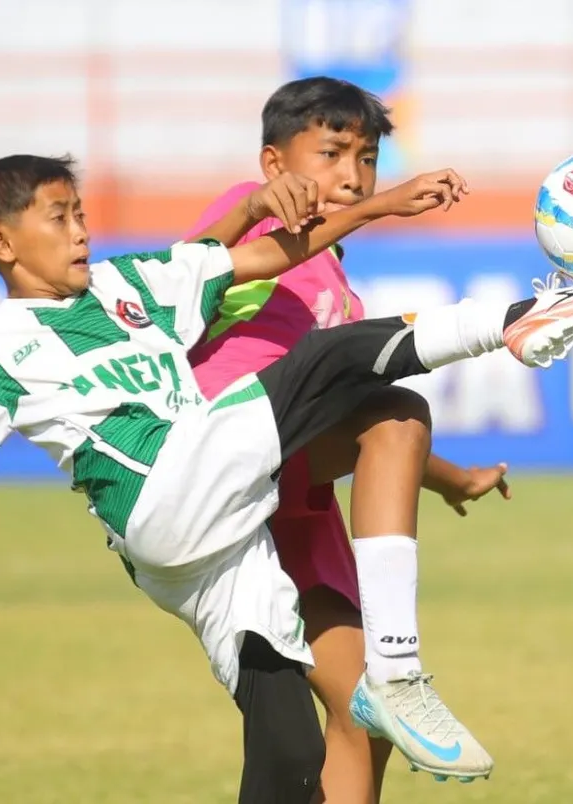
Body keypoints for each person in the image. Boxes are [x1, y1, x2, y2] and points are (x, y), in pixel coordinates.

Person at [0, 153, 573, 802]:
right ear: (2, 243)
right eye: (58, 217)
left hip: (209, 550)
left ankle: (386, 685)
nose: (81, 231)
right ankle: (523, 322)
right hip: (160, 492)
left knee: (290, 750)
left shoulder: (132, 284)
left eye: (80, 213)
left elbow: (267, 255)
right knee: (331, 360)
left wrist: (374, 207)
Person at [188, 76, 510, 801]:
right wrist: (379, 206)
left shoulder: (337, 288)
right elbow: (185, 269)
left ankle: (392, 682)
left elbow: (362, 427)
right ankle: (403, 666)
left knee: (361, 716)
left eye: (365, 159)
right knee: (393, 403)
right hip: (231, 474)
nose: (352, 174)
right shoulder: (251, 213)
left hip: (297, 512)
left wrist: (457, 480)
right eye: (331, 152)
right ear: (274, 164)